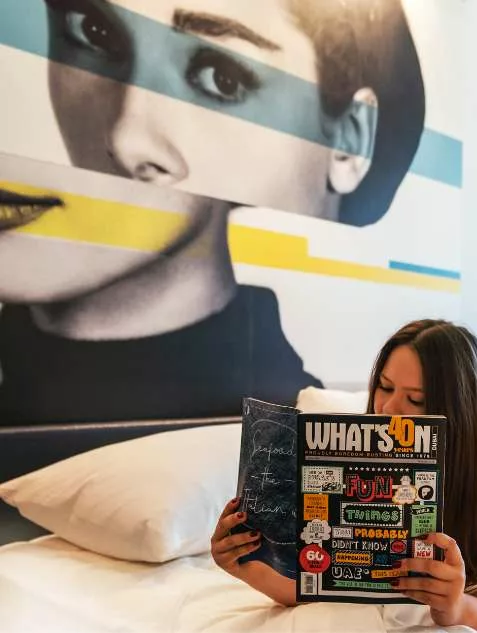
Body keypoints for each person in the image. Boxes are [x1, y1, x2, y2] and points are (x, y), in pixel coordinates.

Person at [0, 0, 425, 422]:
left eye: (221, 78)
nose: (126, 138)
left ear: (349, 144)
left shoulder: (299, 425)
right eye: (95, 31)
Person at [211, 320, 477, 631]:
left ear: (455, 407)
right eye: (384, 387)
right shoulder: (366, 436)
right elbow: (337, 580)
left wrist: (459, 608)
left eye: (416, 400)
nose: (388, 410)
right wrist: (247, 566)